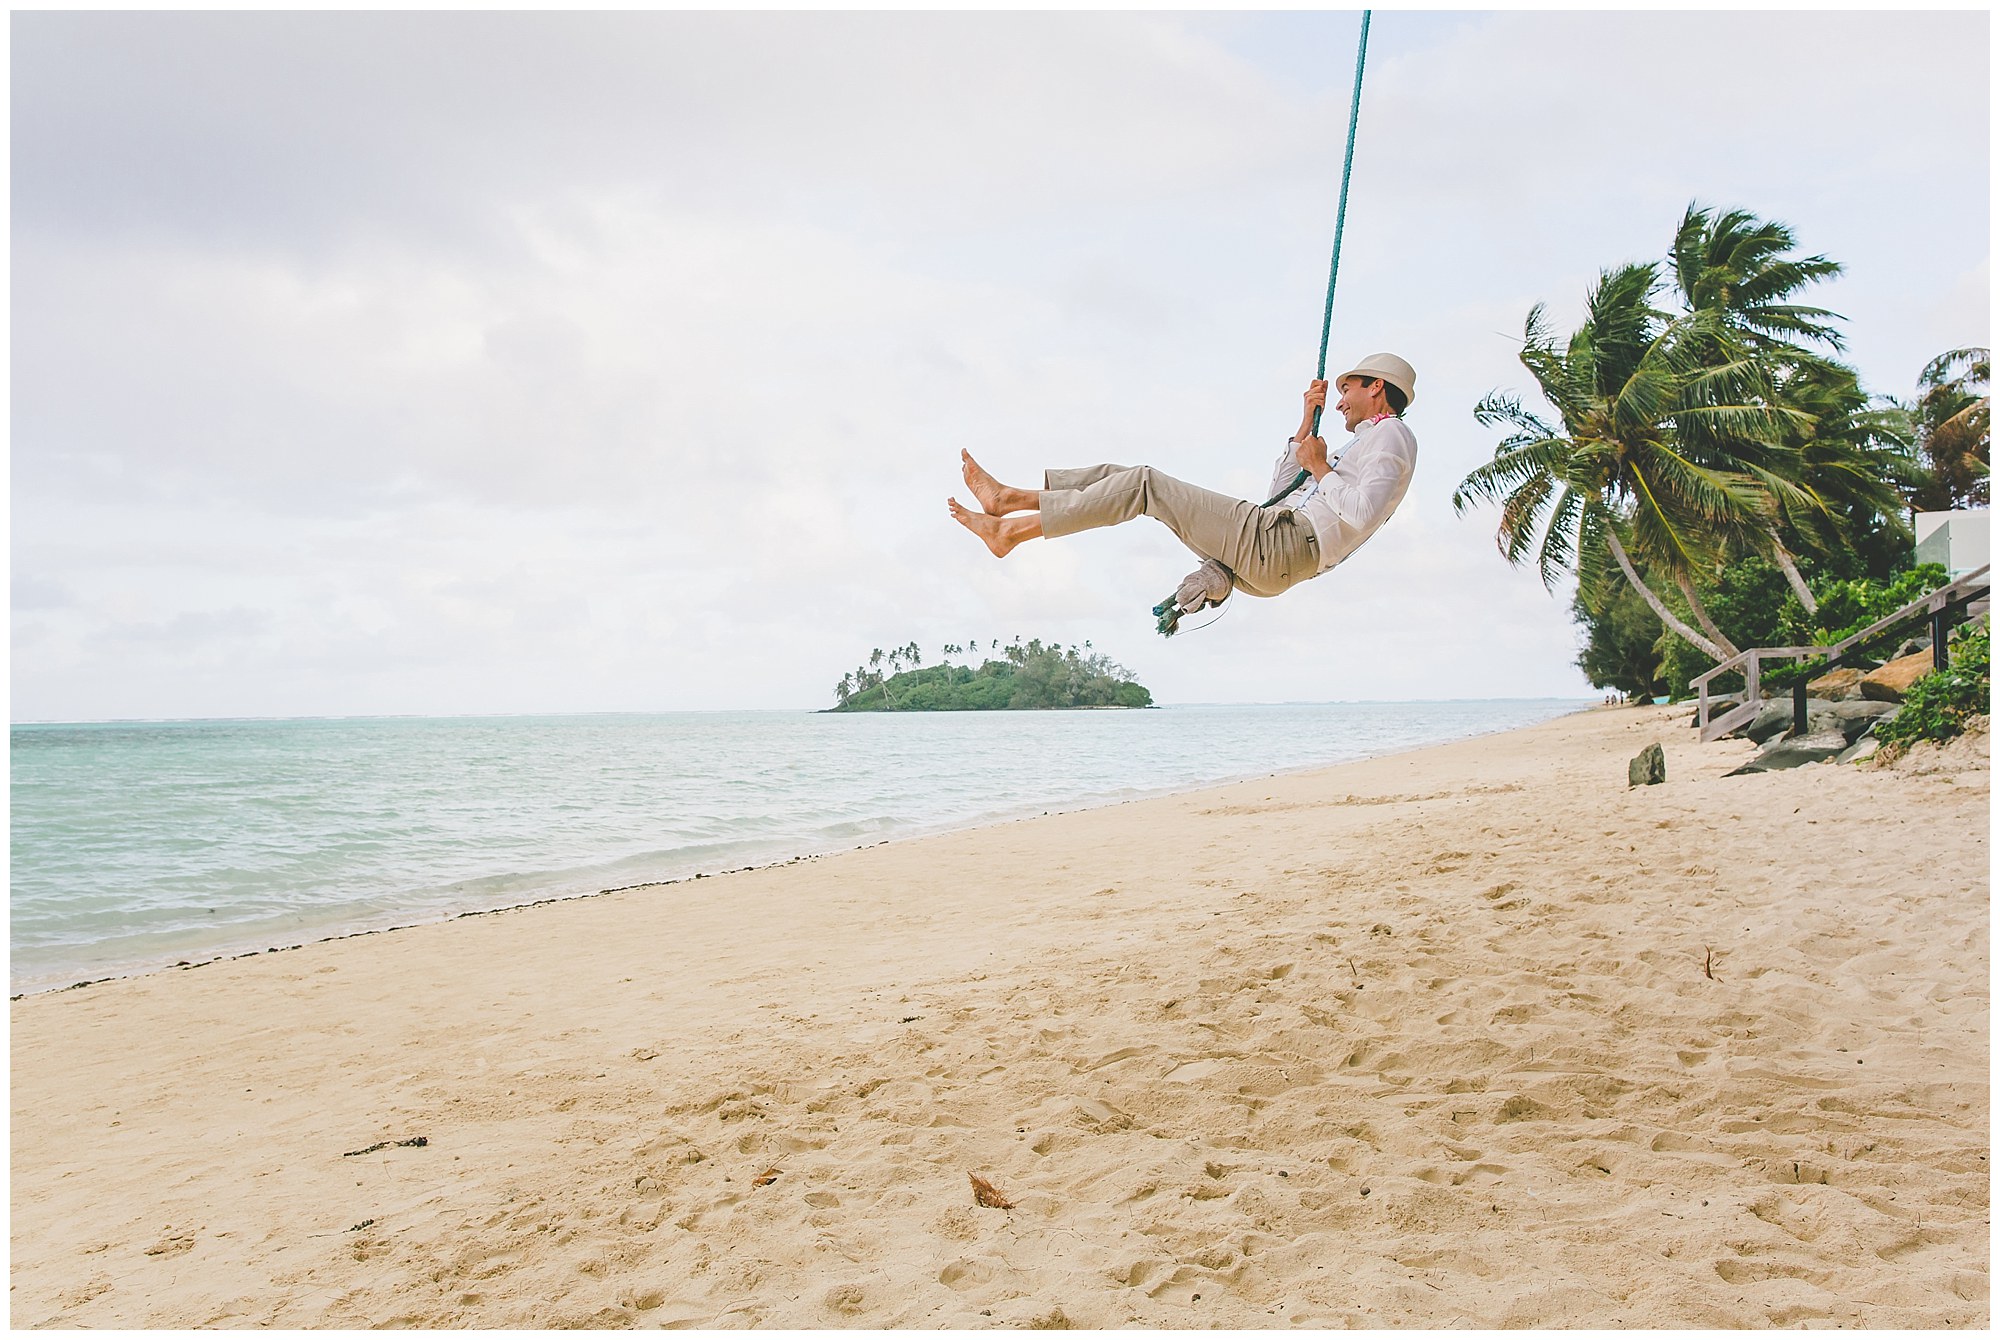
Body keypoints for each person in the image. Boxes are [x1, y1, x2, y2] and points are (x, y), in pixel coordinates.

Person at [948, 354, 1419, 605]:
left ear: (1376, 387)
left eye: (1346, 390)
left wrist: (1319, 468)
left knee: (1145, 484)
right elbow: (1280, 492)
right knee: (1125, 479)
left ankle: (1010, 529)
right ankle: (1010, 500)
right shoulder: (1355, 445)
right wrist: (1305, 425)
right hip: (1274, 545)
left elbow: (1360, 514)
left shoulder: (1393, 435)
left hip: (1286, 546)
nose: (1338, 402)